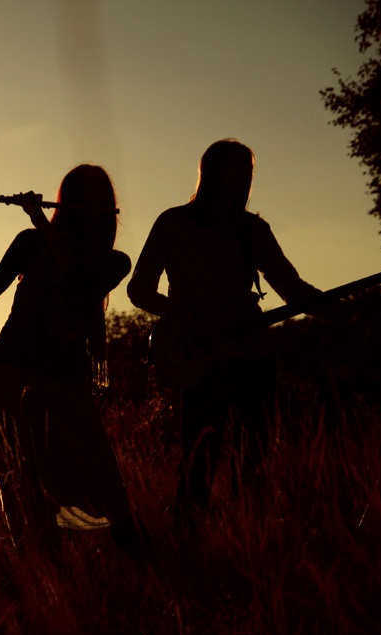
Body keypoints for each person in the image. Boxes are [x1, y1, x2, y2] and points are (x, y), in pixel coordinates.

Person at [127, 139, 321, 525]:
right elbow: (139, 289)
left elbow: (291, 287)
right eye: (237, 166)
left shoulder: (253, 230)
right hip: (201, 358)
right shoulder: (173, 223)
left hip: (252, 355)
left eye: (248, 168)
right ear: (212, 171)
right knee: (199, 458)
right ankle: (187, 534)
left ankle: (248, 531)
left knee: (257, 454)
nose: (246, 174)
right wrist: (182, 316)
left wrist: (337, 310)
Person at [0, 165, 143, 555]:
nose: (89, 208)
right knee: (20, 483)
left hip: (66, 380)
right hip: (10, 371)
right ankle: (43, 571)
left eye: (97, 199)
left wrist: (41, 223)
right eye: (82, 196)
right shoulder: (31, 242)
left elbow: (80, 279)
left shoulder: (114, 262)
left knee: (102, 477)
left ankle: (140, 562)